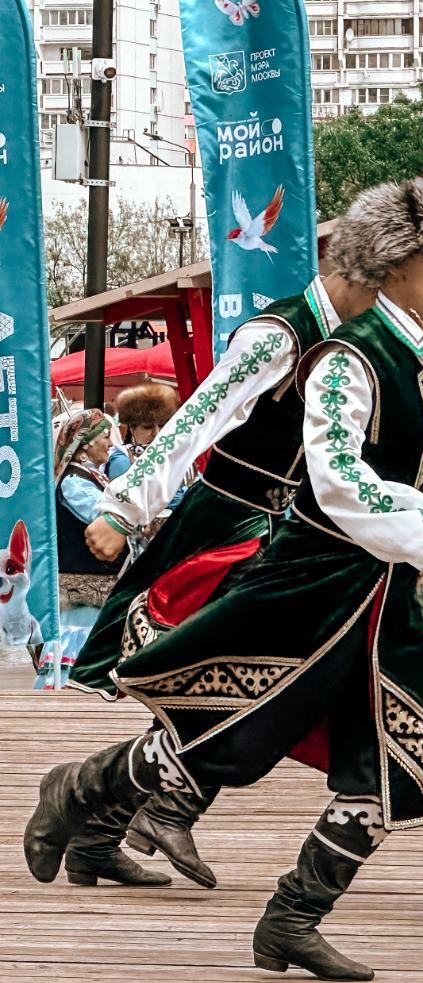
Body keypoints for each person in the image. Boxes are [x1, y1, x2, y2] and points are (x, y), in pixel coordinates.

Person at [24, 170, 423, 981]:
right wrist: (126, 502)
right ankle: (84, 791)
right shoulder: (330, 352)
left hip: (377, 582)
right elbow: (274, 447)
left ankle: (292, 916)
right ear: (390, 260)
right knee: (223, 734)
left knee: (398, 766)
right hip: (298, 567)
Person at [67, 272, 374, 890]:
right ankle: (146, 812)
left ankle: (108, 830)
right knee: (234, 675)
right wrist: (125, 508)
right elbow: (200, 415)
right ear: (358, 271)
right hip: (231, 524)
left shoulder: (356, 342)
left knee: (241, 676)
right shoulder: (279, 333)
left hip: (282, 528)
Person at [46, 410, 125, 693]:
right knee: (80, 654)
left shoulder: (91, 477)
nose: (110, 444)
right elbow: (102, 515)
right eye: (106, 437)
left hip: (96, 591)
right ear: (87, 443)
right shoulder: (74, 482)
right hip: (82, 594)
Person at [113, 383, 180, 465]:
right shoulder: (121, 461)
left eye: (162, 425)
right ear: (131, 427)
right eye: (148, 426)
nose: (156, 433)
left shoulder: (176, 455)